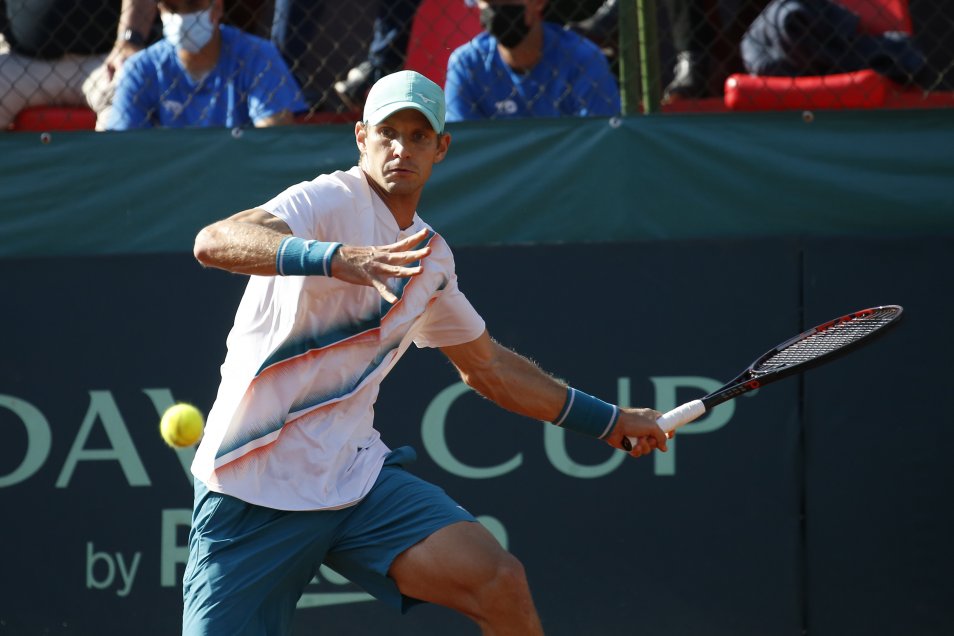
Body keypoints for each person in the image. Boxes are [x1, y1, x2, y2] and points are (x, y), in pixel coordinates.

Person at [187, 69, 668, 634]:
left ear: (441, 147)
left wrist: (609, 420)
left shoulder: (431, 261)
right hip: (249, 485)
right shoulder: (326, 200)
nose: (402, 148)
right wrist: (339, 258)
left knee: (499, 580)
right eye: (389, 133)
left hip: (353, 480)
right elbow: (213, 242)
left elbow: (487, 367)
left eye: (419, 136)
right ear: (361, 138)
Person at [107, 0, 305, 130]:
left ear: (217, 7)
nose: (182, 18)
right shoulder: (140, 69)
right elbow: (123, 152)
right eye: (172, 8)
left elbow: (275, 141)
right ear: (160, 10)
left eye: (192, 5)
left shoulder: (259, 55)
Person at [444, 0, 620, 121]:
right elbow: (463, 148)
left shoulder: (583, 59)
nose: (498, 9)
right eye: (489, 2)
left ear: (539, 2)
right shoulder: (467, 65)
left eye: (508, 1)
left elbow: (601, 141)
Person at [0, 0, 121, 129]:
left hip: (102, 61)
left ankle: (108, 149)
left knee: (126, 89)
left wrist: (129, 41)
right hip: (22, 64)